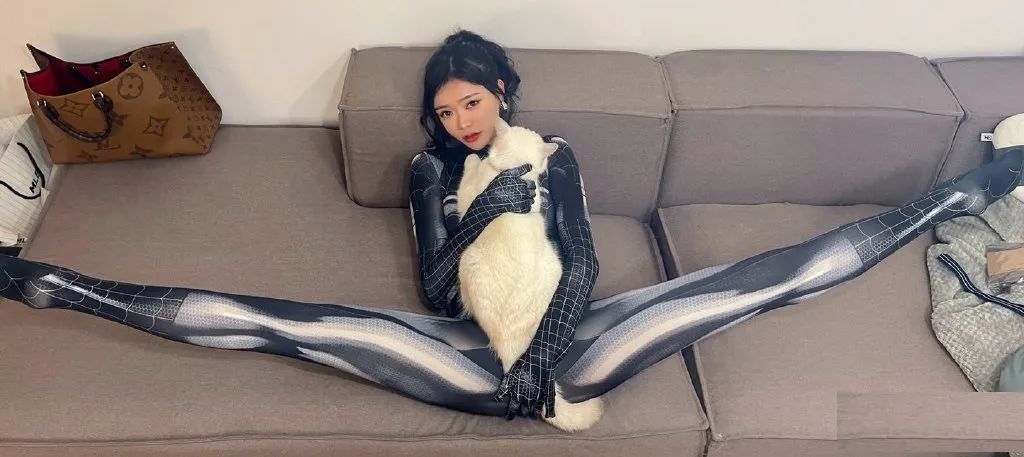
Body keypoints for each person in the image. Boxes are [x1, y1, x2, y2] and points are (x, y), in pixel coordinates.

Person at [2, 30, 1022, 423]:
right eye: (444, 109)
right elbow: (435, 290)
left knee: (756, 285)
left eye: (472, 102)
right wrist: (477, 215)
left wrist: (540, 356)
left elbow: (582, 258)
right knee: (287, 325)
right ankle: (50, 284)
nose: (459, 119)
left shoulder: (551, 155)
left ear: (501, 94)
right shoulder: (427, 171)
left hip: (572, 337)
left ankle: (954, 197)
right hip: (467, 349)